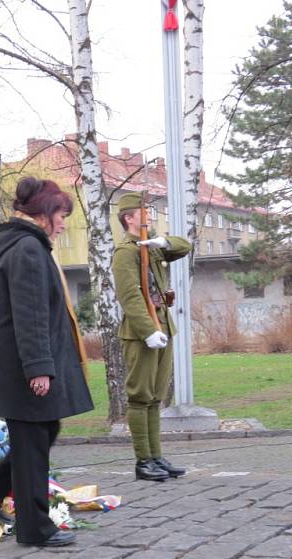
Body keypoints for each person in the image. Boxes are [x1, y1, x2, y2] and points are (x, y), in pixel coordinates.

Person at [0, 177, 94, 547]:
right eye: (61, 214)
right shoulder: (26, 249)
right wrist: (38, 368)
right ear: (43, 214)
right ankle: (35, 529)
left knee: (41, 433)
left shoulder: (23, 244)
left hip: (12, 362)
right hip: (19, 366)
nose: (63, 222)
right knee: (33, 441)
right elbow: (30, 313)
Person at [111, 192, 191, 482]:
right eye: (144, 212)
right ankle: (143, 460)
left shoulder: (150, 247)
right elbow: (130, 295)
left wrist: (164, 242)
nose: (150, 216)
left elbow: (186, 246)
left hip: (163, 326)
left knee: (155, 397)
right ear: (129, 218)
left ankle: (156, 457)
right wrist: (148, 331)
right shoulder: (125, 252)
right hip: (142, 333)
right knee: (140, 397)